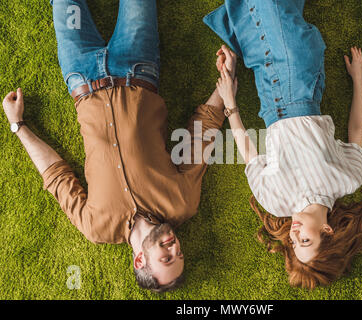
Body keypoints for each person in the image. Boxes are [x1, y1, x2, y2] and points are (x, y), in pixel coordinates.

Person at [2, 0, 232, 293]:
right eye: (180, 254)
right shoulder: (182, 202)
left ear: (139, 260)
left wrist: (18, 126)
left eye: (166, 258)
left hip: (81, 75)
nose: (175, 248)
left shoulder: (96, 227)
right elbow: (201, 133)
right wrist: (227, 82)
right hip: (137, 66)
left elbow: (57, 177)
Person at [206, 0, 362, 289]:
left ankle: (239, 40)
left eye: (293, 242)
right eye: (306, 240)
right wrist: (358, 79)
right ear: (327, 231)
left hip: (268, 97)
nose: (295, 233)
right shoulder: (347, 179)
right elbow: (357, 131)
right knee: (272, 11)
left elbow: (249, 152)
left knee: (259, 24)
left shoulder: (274, 201)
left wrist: (230, 102)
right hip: (301, 81)